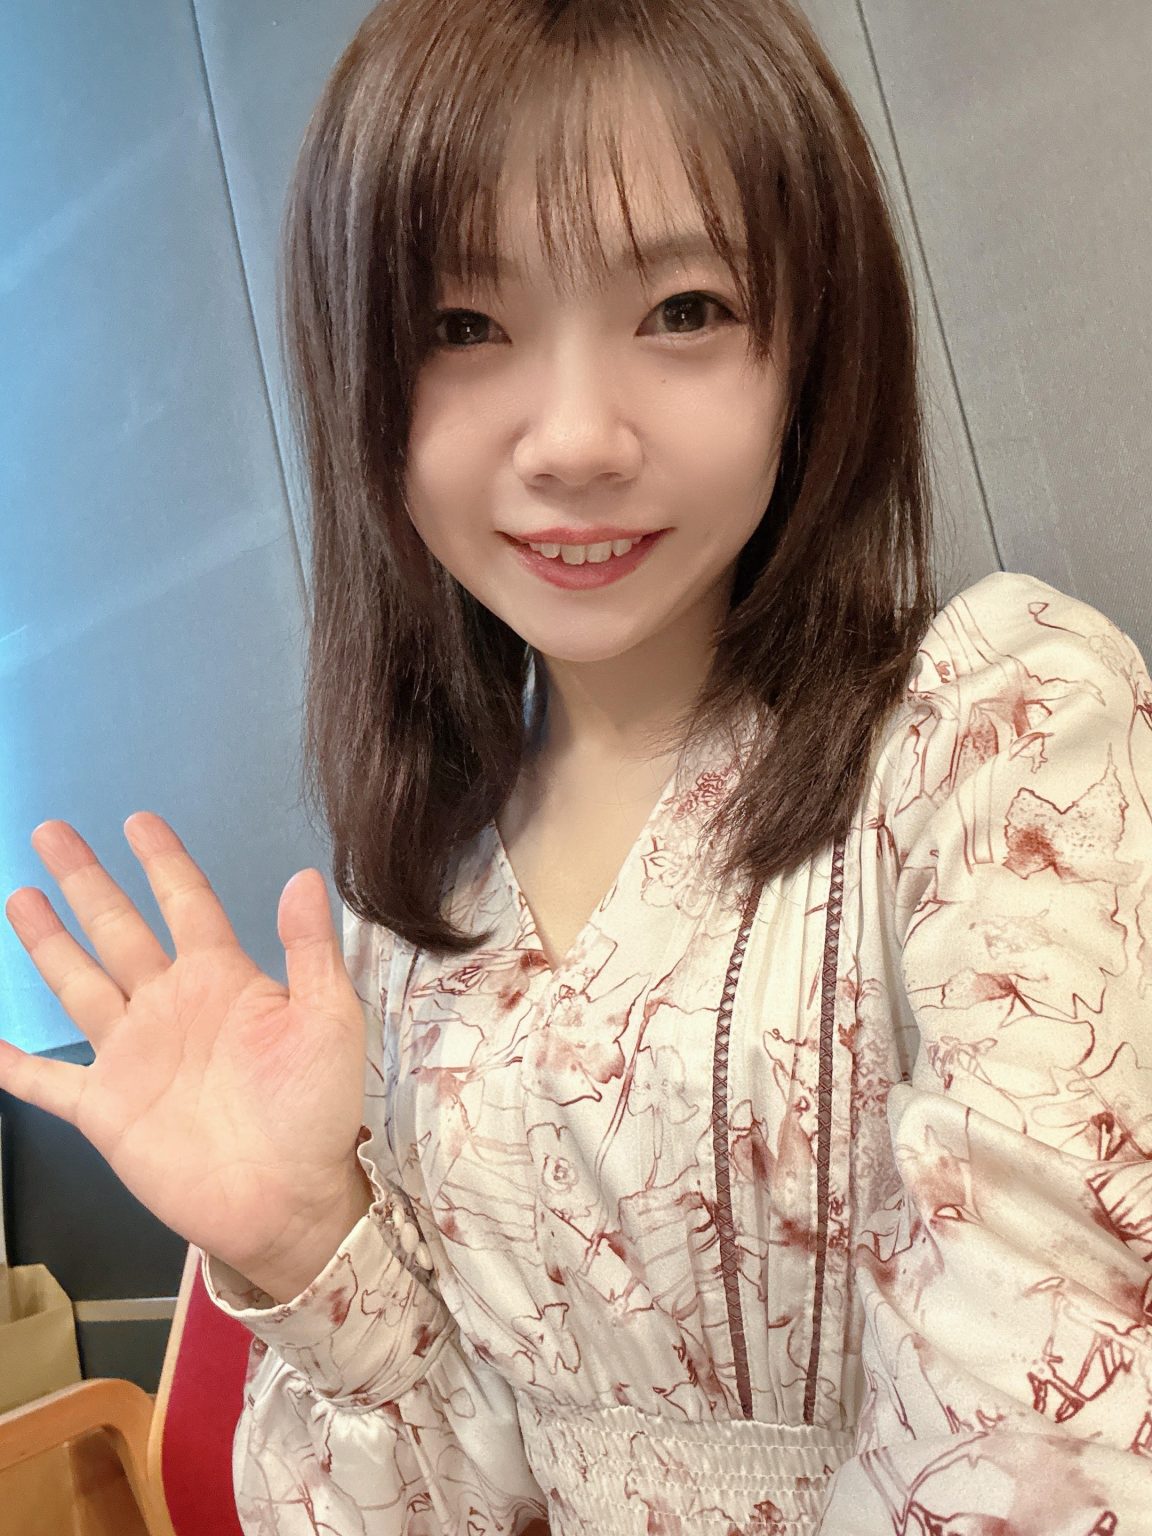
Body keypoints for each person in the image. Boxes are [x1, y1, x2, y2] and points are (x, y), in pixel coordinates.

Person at [3, 0, 1151, 1530]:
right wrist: (303, 1243)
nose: (575, 440)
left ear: (815, 343)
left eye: (682, 307)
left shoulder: (995, 729)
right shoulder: (416, 909)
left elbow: (1039, 1458)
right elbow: (451, 1492)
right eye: (462, 328)